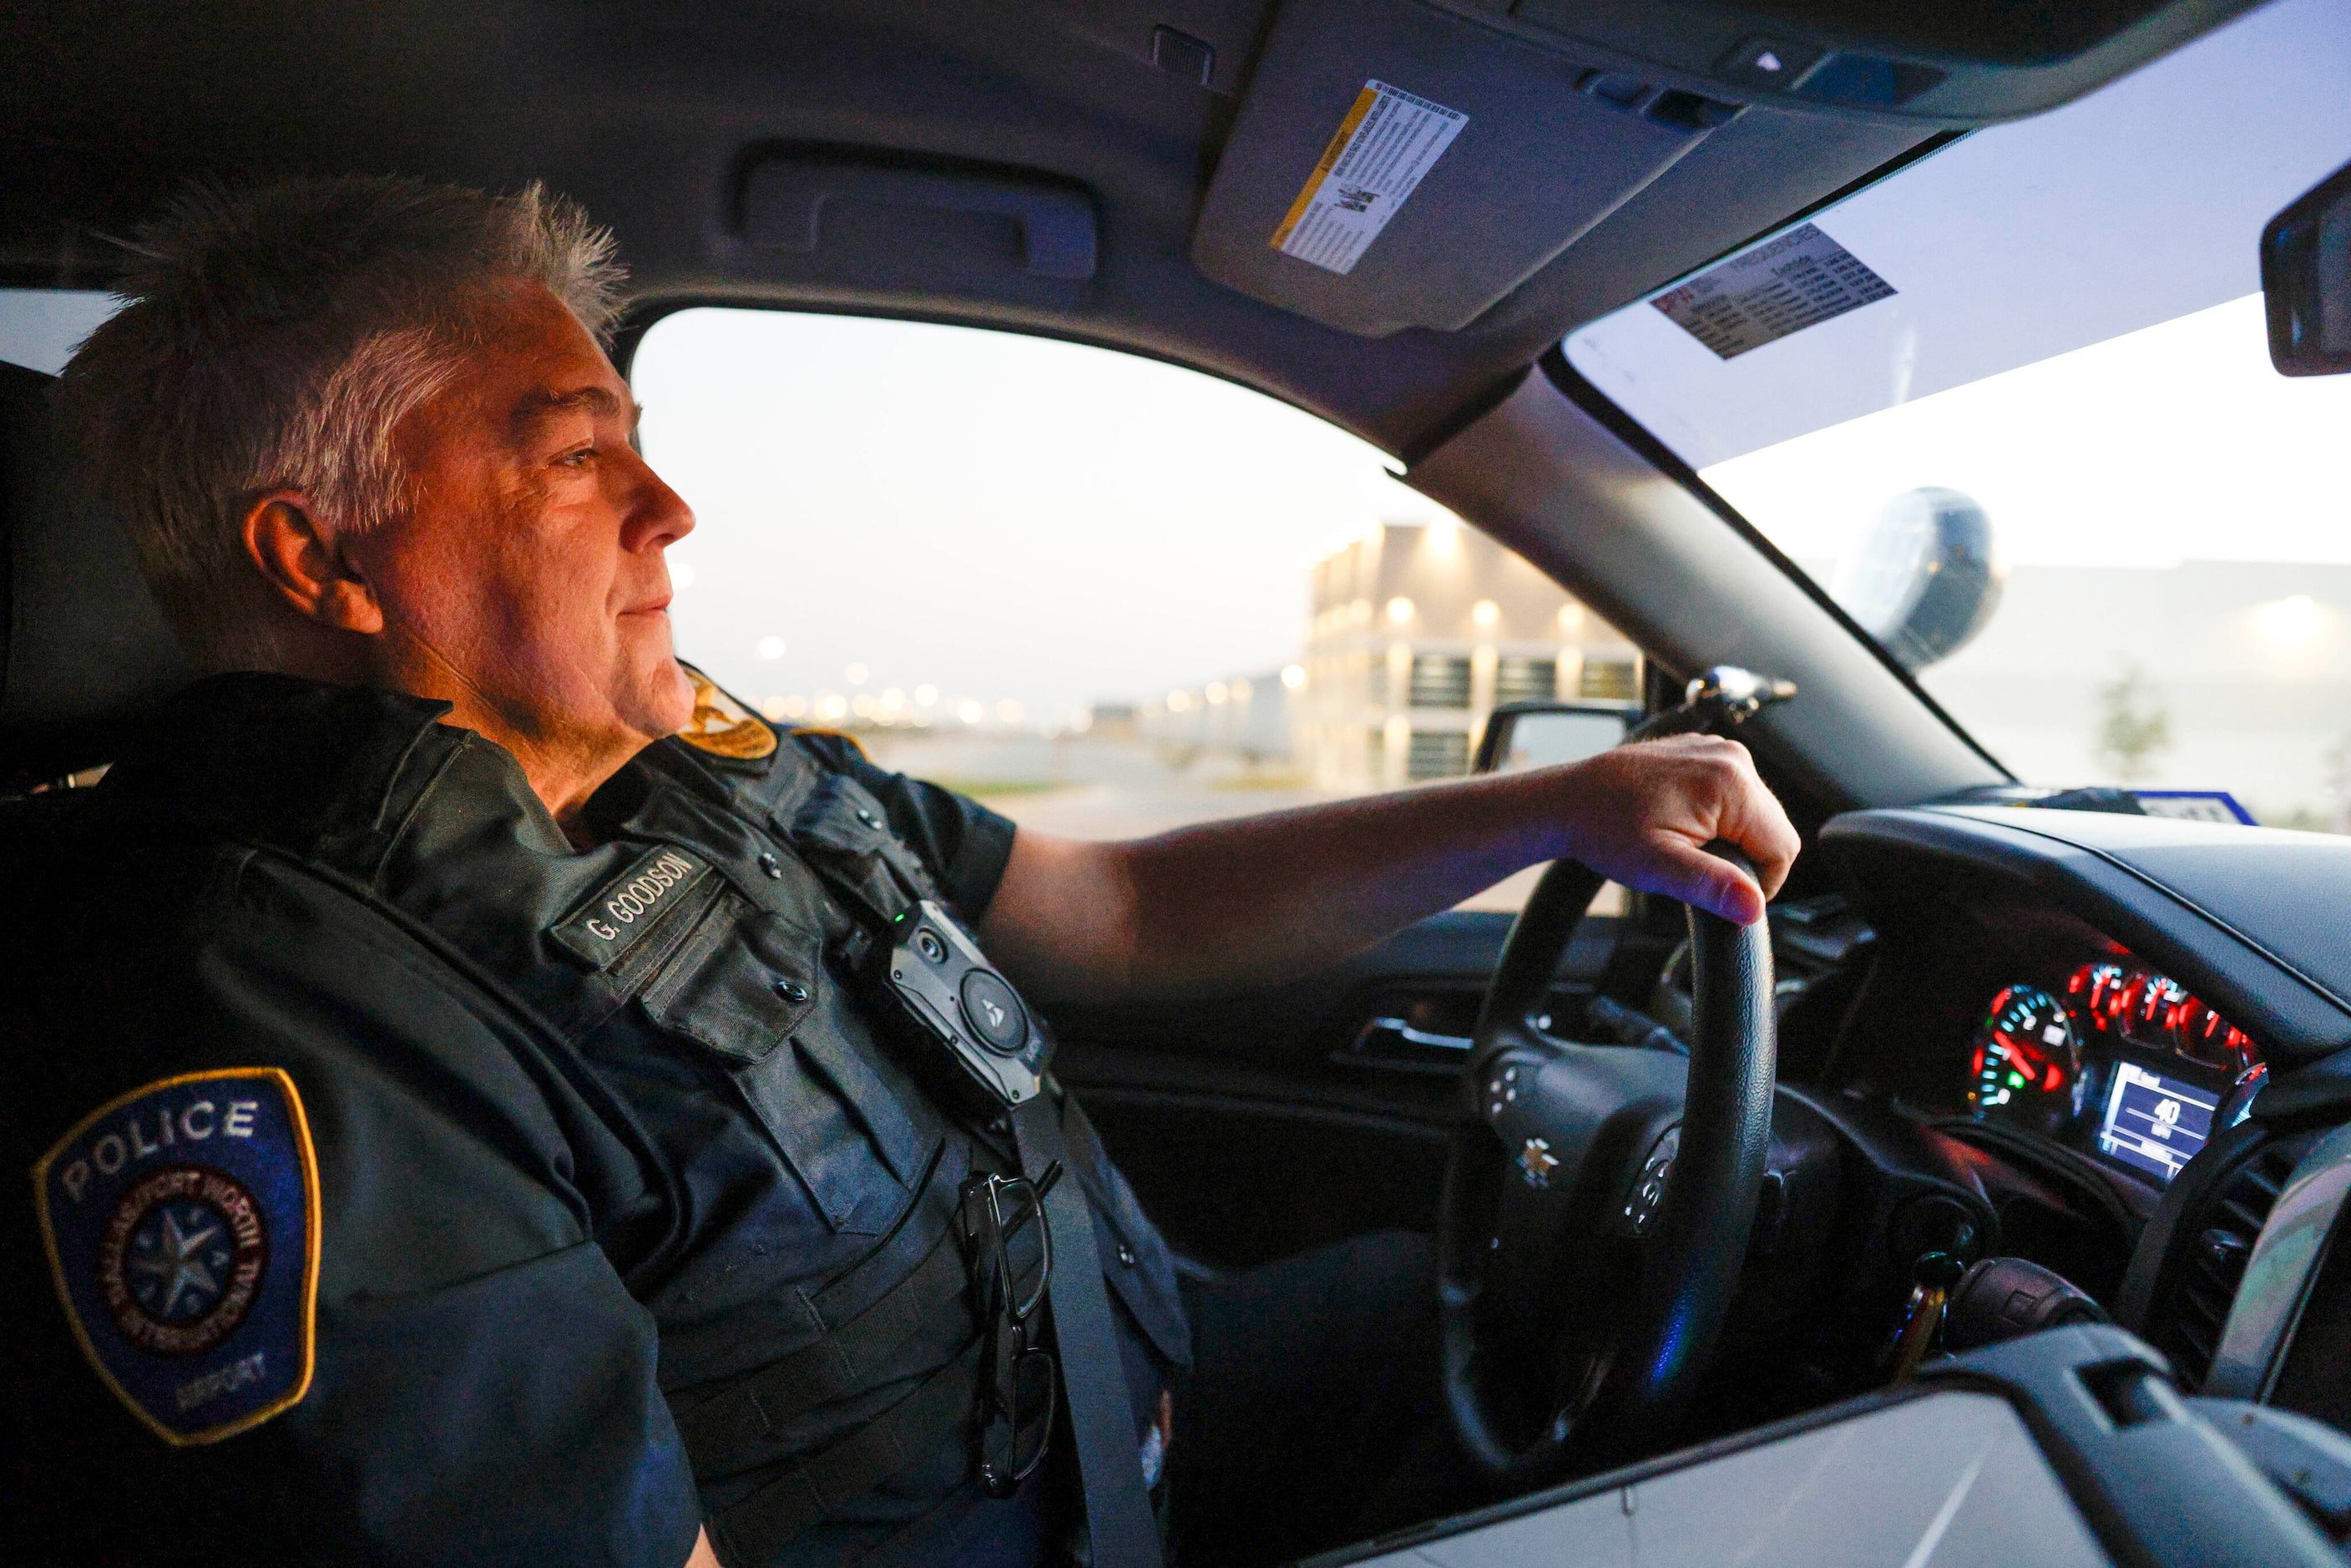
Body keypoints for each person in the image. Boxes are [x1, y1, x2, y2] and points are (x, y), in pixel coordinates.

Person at [0, 178, 1798, 1568]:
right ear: (318, 563)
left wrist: (1555, 810)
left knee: (1611, 1289)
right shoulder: (267, 1015)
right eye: (571, 455)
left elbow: (1117, 911)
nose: (669, 507)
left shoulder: (687, 760)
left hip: (1138, 1405)